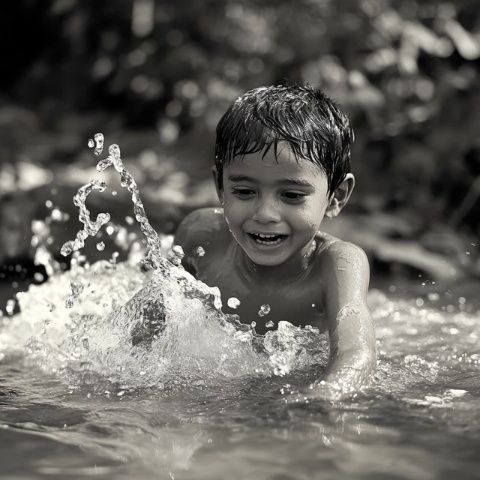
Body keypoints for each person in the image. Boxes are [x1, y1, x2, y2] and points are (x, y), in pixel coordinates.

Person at [174, 85, 376, 399]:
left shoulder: (335, 264)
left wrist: (328, 392)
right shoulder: (201, 235)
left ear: (336, 197)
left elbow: (356, 351)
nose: (266, 214)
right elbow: (157, 316)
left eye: (292, 196)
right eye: (244, 192)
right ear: (220, 186)